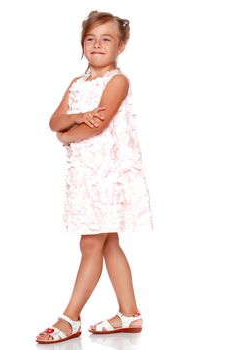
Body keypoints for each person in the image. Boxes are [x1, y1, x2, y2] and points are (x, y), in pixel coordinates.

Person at [36, 10, 154, 345]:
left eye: (106, 39)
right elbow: (54, 120)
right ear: (82, 44)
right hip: (85, 176)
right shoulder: (77, 84)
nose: (97, 45)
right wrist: (75, 120)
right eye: (91, 39)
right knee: (109, 242)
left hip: (108, 174)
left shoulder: (117, 80)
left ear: (121, 45)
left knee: (90, 243)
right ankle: (129, 313)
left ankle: (69, 318)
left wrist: (65, 136)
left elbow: (96, 126)